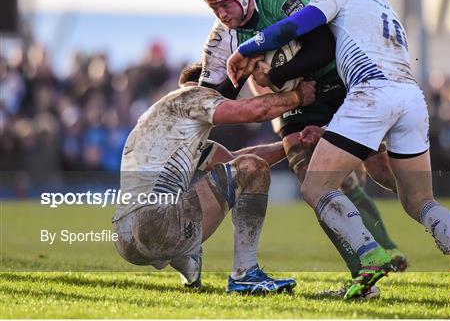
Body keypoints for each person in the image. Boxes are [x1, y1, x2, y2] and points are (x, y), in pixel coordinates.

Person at [227, 0, 450, 302]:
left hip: (371, 93)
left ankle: (368, 255)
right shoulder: (388, 11)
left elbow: (294, 26)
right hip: (411, 99)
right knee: (419, 200)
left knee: (316, 187)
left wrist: (247, 48)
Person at [199, 0, 408, 277]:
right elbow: (214, 97)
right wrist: (190, 91)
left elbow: (322, 46)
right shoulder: (220, 40)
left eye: (225, 4)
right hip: (295, 105)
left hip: (332, 81)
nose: (222, 14)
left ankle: (423, 201)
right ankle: (364, 269)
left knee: (379, 166)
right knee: (312, 180)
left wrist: (278, 75)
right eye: (213, 8)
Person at [113, 63, 316, 294]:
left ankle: (188, 265)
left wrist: (291, 144)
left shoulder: (167, 127)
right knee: (252, 168)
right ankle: (245, 274)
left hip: (124, 238)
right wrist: (298, 96)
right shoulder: (192, 95)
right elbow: (256, 114)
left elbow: (235, 163)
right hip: (157, 224)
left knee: (247, 169)